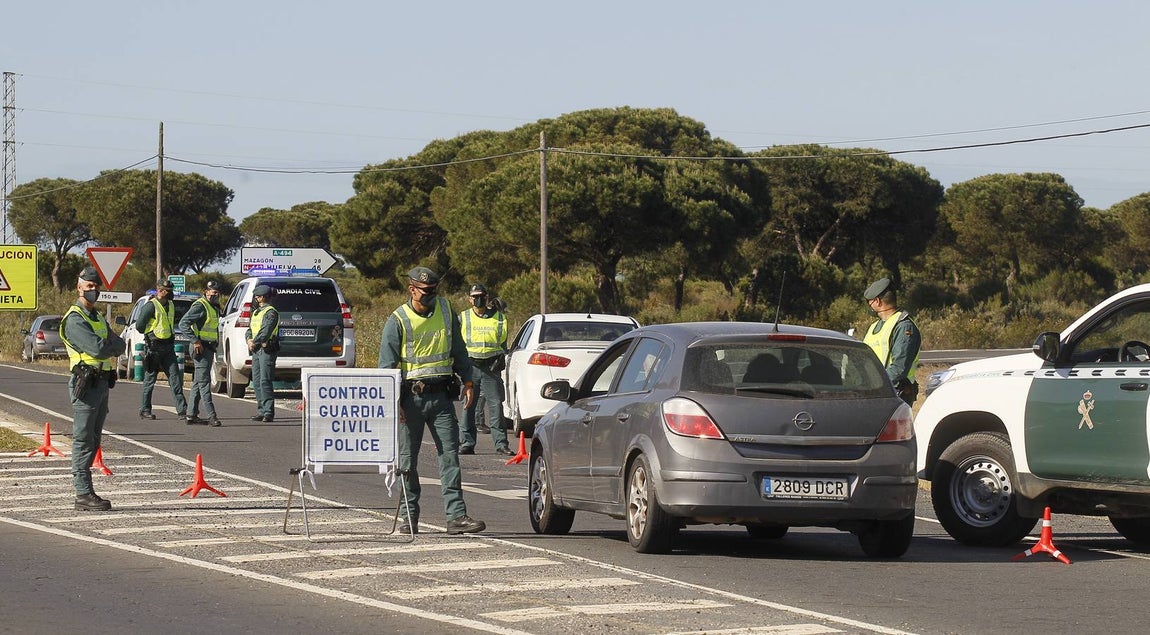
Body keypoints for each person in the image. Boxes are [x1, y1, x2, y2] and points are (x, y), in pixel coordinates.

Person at [378, 266, 486, 535]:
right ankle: (408, 517)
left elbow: (459, 350)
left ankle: (456, 517)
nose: (431, 295)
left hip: (441, 397)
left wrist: (468, 380)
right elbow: (386, 369)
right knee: (407, 461)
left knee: (450, 457)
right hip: (409, 400)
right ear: (411, 289)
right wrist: (393, 404)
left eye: (434, 291)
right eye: (426, 291)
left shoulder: (446, 310)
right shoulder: (398, 320)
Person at [59, 267, 126, 511]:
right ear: (79, 288)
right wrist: (110, 345)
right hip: (85, 384)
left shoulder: (96, 317)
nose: (93, 290)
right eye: (88, 286)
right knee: (83, 439)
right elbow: (98, 349)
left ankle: (87, 492)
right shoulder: (75, 318)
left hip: (100, 382)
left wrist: (109, 344)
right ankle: (83, 494)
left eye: (96, 286)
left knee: (95, 439)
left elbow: (120, 343)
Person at [459, 283, 512, 456]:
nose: (478, 299)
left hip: (491, 368)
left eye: (481, 295)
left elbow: (503, 344)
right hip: (470, 367)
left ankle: (501, 445)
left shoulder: (500, 318)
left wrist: (500, 359)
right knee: (468, 406)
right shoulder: (463, 317)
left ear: (487, 297)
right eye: (475, 296)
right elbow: (458, 345)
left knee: (496, 406)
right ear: (469, 299)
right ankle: (467, 443)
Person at [863, 277, 922, 406]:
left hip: (895, 394)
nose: (869, 306)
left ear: (877, 301)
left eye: (869, 302)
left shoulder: (904, 326)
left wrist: (876, 386)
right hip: (875, 393)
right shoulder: (874, 327)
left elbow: (899, 368)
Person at [136, 278, 188, 420]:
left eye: (171, 291)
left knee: (175, 379)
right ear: (160, 290)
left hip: (168, 347)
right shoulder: (150, 306)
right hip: (154, 348)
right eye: (167, 291)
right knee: (150, 380)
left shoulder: (171, 305)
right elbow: (139, 326)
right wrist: (151, 332)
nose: (170, 294)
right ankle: (145, 409)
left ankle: (182, 410)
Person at [178, 280, 223, 426]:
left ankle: (191, 414)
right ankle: (212, 416)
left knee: (198, 382)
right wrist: (195, 341)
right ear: (206, 291)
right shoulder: (200, 305)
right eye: (211, 291)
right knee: (205, 383)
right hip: (200, 348)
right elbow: (183, 323)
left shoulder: (213, 307)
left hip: (208, 348)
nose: (214, 294)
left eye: (216, 292)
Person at [246, 284, 280, 422]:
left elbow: (266, 331)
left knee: (265, 380)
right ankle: (261, 410)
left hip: (266, 349)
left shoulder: (271, 312)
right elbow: (250, 329)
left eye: (258, 296)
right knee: (257, 380)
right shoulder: (256, 312)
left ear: (263, 297)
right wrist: (248, 340)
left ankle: (268, 412)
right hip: (256, 349)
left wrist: (255, 341)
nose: (256, 298)